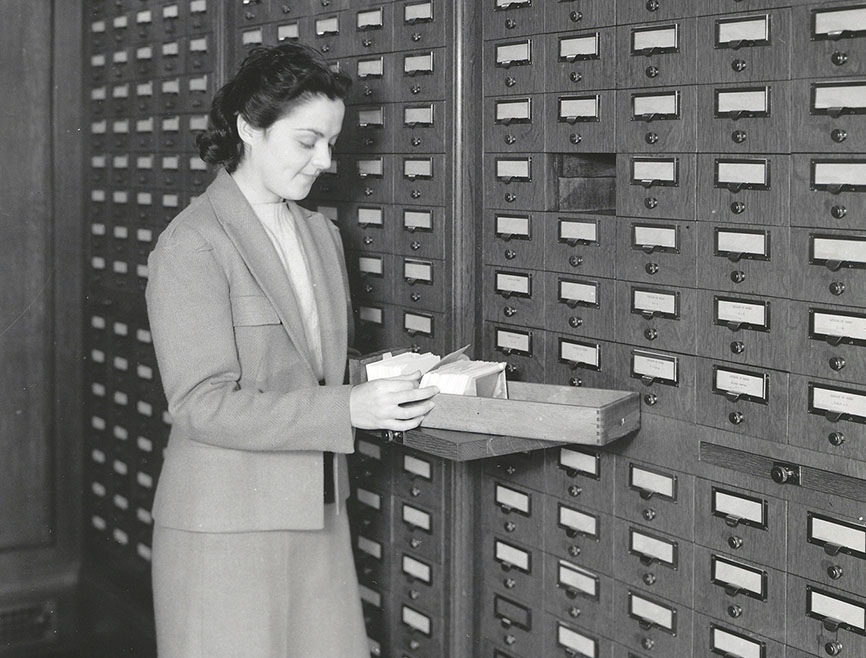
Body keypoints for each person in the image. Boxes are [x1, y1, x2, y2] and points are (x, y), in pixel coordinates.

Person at [144, 43, 438, 658]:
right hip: (225, 525)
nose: (326, 162)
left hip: (317, 511)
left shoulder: (320, 234)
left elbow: (308, 368)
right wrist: (350, 408)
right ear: (250, 128)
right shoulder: (192, 244)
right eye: (308, 142)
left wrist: (387, 378)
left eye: (332, 143)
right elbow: (201, 404)